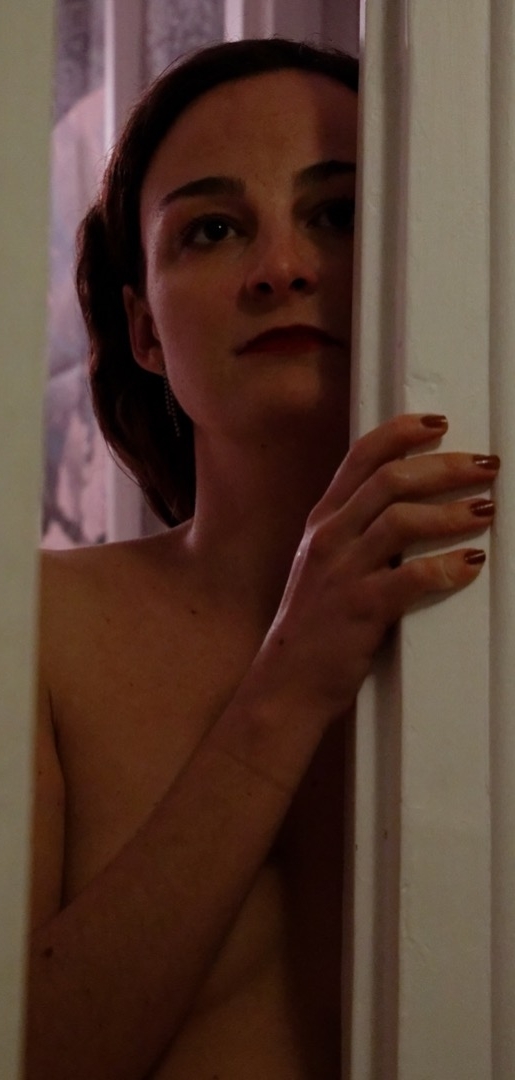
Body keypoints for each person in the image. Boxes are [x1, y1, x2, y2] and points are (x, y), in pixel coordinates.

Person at [26, 37, 499, 1080]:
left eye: (338, 213)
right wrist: (286, 688)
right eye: (211, 229)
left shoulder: (494, 621)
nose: (281, 267)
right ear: (144, 331)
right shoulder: (37, 633)